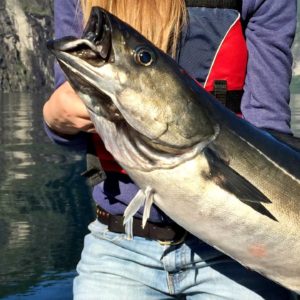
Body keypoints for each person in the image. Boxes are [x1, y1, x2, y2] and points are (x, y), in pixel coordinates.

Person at [43, 0, 297, 299]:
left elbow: (268, 130)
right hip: (118, 245)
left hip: (236, 261)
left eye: (143, 59)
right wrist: (56, 117)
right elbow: (67, 124)